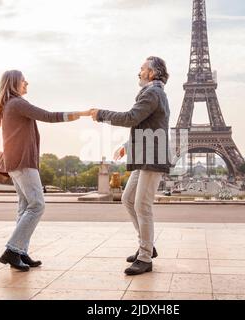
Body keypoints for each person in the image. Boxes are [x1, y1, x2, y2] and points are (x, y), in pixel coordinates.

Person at [0, 70, 85, 271]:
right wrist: (79, 114)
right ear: (15, 83)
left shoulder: (10, 104)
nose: (27, 83)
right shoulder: (17, 103)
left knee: (25, 207)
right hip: (23, 162)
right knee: (37, 205)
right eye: (24, 81)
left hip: (16, 162)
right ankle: (12, 250)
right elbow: (48, 116)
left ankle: (20, 252)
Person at [88, 56, 171, 275]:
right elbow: (149, 124)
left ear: (152, 73)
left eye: (142, 68)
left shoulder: (153, 93)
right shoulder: (153, 92)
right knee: (128, 199)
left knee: (142, 205)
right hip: (146, 155)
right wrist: (127, 144)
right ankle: (147, 245)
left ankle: (145, 257)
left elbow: (132, 117)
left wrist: (101, 115)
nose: (139, 71)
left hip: (152, 157)